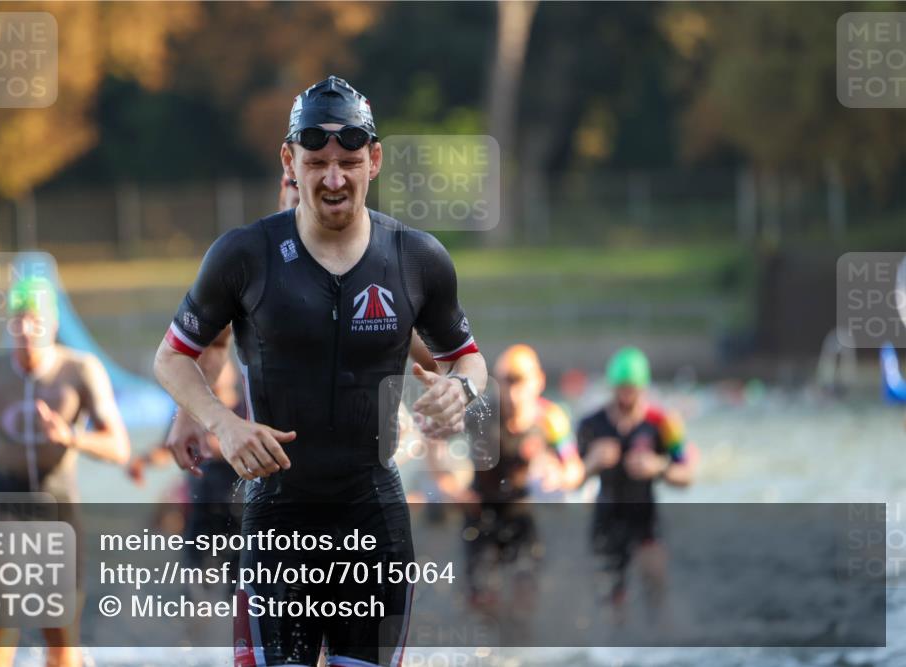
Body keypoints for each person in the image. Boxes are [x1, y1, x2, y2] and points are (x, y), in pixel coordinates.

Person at [153, 75, 487, 667]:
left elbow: (466, 356)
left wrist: (461, 389)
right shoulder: (244, 254)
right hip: (279, 516)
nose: (334, 180)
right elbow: (174, 354)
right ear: (290, 161)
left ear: (374, 160)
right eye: (317, 163)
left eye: (349, 162)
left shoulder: (417, 258)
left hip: (373, 517)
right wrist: (219, 423)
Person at [0, 276, 131, 667]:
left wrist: (71, 438)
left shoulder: (80, 371)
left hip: (57, 504)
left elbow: (119, 447)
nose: (26, 330)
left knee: (60, 636)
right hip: (2, 500)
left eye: (35, 321)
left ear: (52, 325)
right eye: (18, 320)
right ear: (9, 324)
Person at [459, 344, 583, 618]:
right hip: (481, 514)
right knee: (481, 601)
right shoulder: (480, 413)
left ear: (538, 382)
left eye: (521, 383)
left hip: (523, 516)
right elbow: (434, 440)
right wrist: (449, 486)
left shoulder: (551, 419)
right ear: (496, 381)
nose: (514, 394)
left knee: (524, 598)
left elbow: (574, 468)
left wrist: (560, 478)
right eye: (507, 382)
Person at [576, 346, 695, 620]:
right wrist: (593, 462)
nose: (626, 396)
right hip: (606, 517)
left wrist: (659, 466)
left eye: (632, 389)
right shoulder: (591, 424)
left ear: (643, 387)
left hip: (645, 518)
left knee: (656, 585)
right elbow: (570, 478)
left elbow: (687, 475)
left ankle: (656, 645)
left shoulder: (664, 423)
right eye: (621, 388)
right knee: (610, 601)